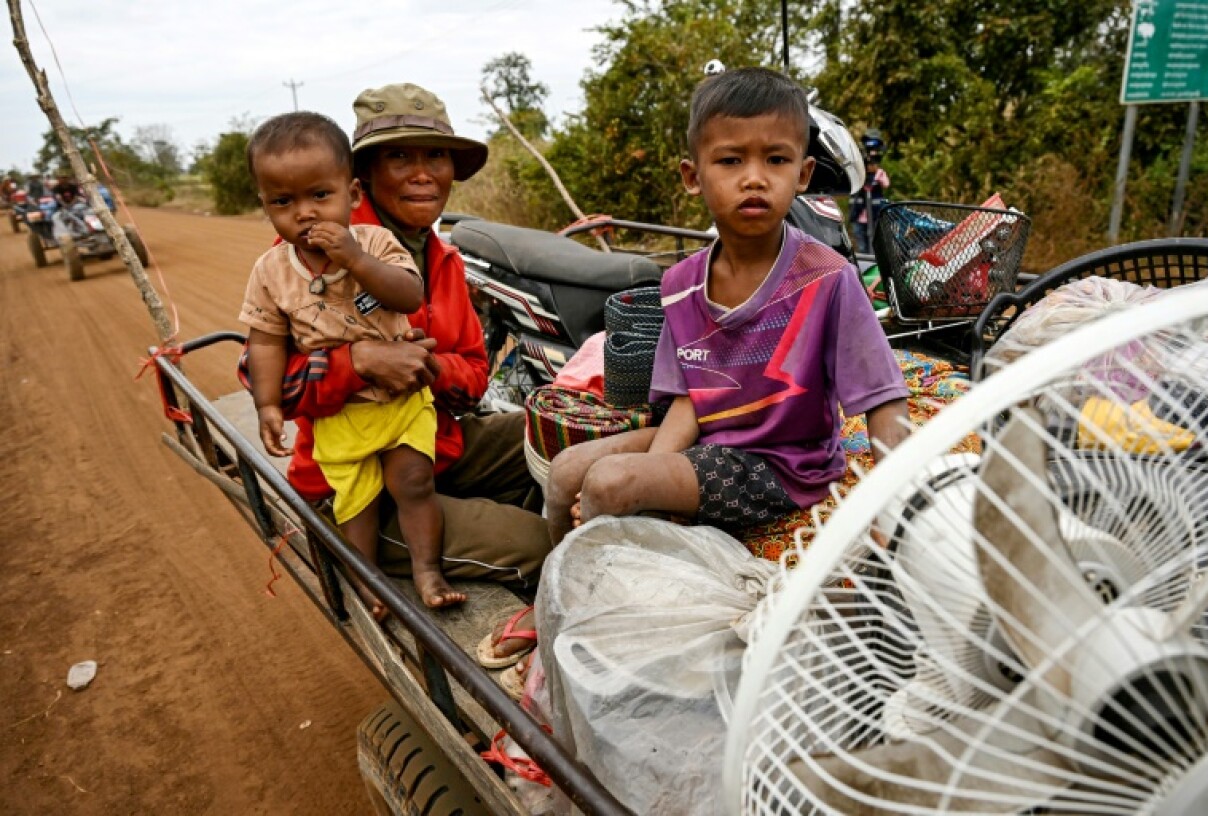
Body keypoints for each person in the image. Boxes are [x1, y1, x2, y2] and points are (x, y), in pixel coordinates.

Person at [485, 68, 912, 690]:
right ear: (693, 176)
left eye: (776, 159)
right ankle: (560, 601)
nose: (754, 178)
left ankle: (615, 627)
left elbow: (883, 398)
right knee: (574, 474)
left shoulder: (827, 279)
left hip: (779, 464)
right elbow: (687, 395)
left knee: (611, 482)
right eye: (730, 159)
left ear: (803, 175)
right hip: (708, 440)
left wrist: (892, 501)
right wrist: (651, 478)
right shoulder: (681, 282)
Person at [243, 84, 550, 598]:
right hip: (354, 482)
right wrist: (358, 361)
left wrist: (429, 368)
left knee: (557, 435)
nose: (423, 172)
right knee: (539, 545)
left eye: (436, 155)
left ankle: (476, 518)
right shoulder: (302, 252)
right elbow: (259, 370)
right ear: (363, 177)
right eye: (400, 156)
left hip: (429, 444)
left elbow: (474, 375)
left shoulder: (445, 260)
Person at [240, 112, 463, 612]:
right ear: (267, 207)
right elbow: (266, 342)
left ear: (352, 196)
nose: (304, 214)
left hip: (403, 404)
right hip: (340, 415)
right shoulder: (273, 271)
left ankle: (429, 572)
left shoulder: (379, 245)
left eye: (320, 196)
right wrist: (268, 404)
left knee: (413, 481)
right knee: (354, 501)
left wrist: (357, 261)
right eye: (283, 201)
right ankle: (368, 582)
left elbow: (408, 296)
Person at [849, 129, 890, 254]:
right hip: (860, 216)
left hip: (875, 215)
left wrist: (877, 175)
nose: (871, 166)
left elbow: (886, 184)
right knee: (862, 247)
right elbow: (853, 185)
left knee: (876, 245)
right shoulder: (859, 174)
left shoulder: (879, 174)